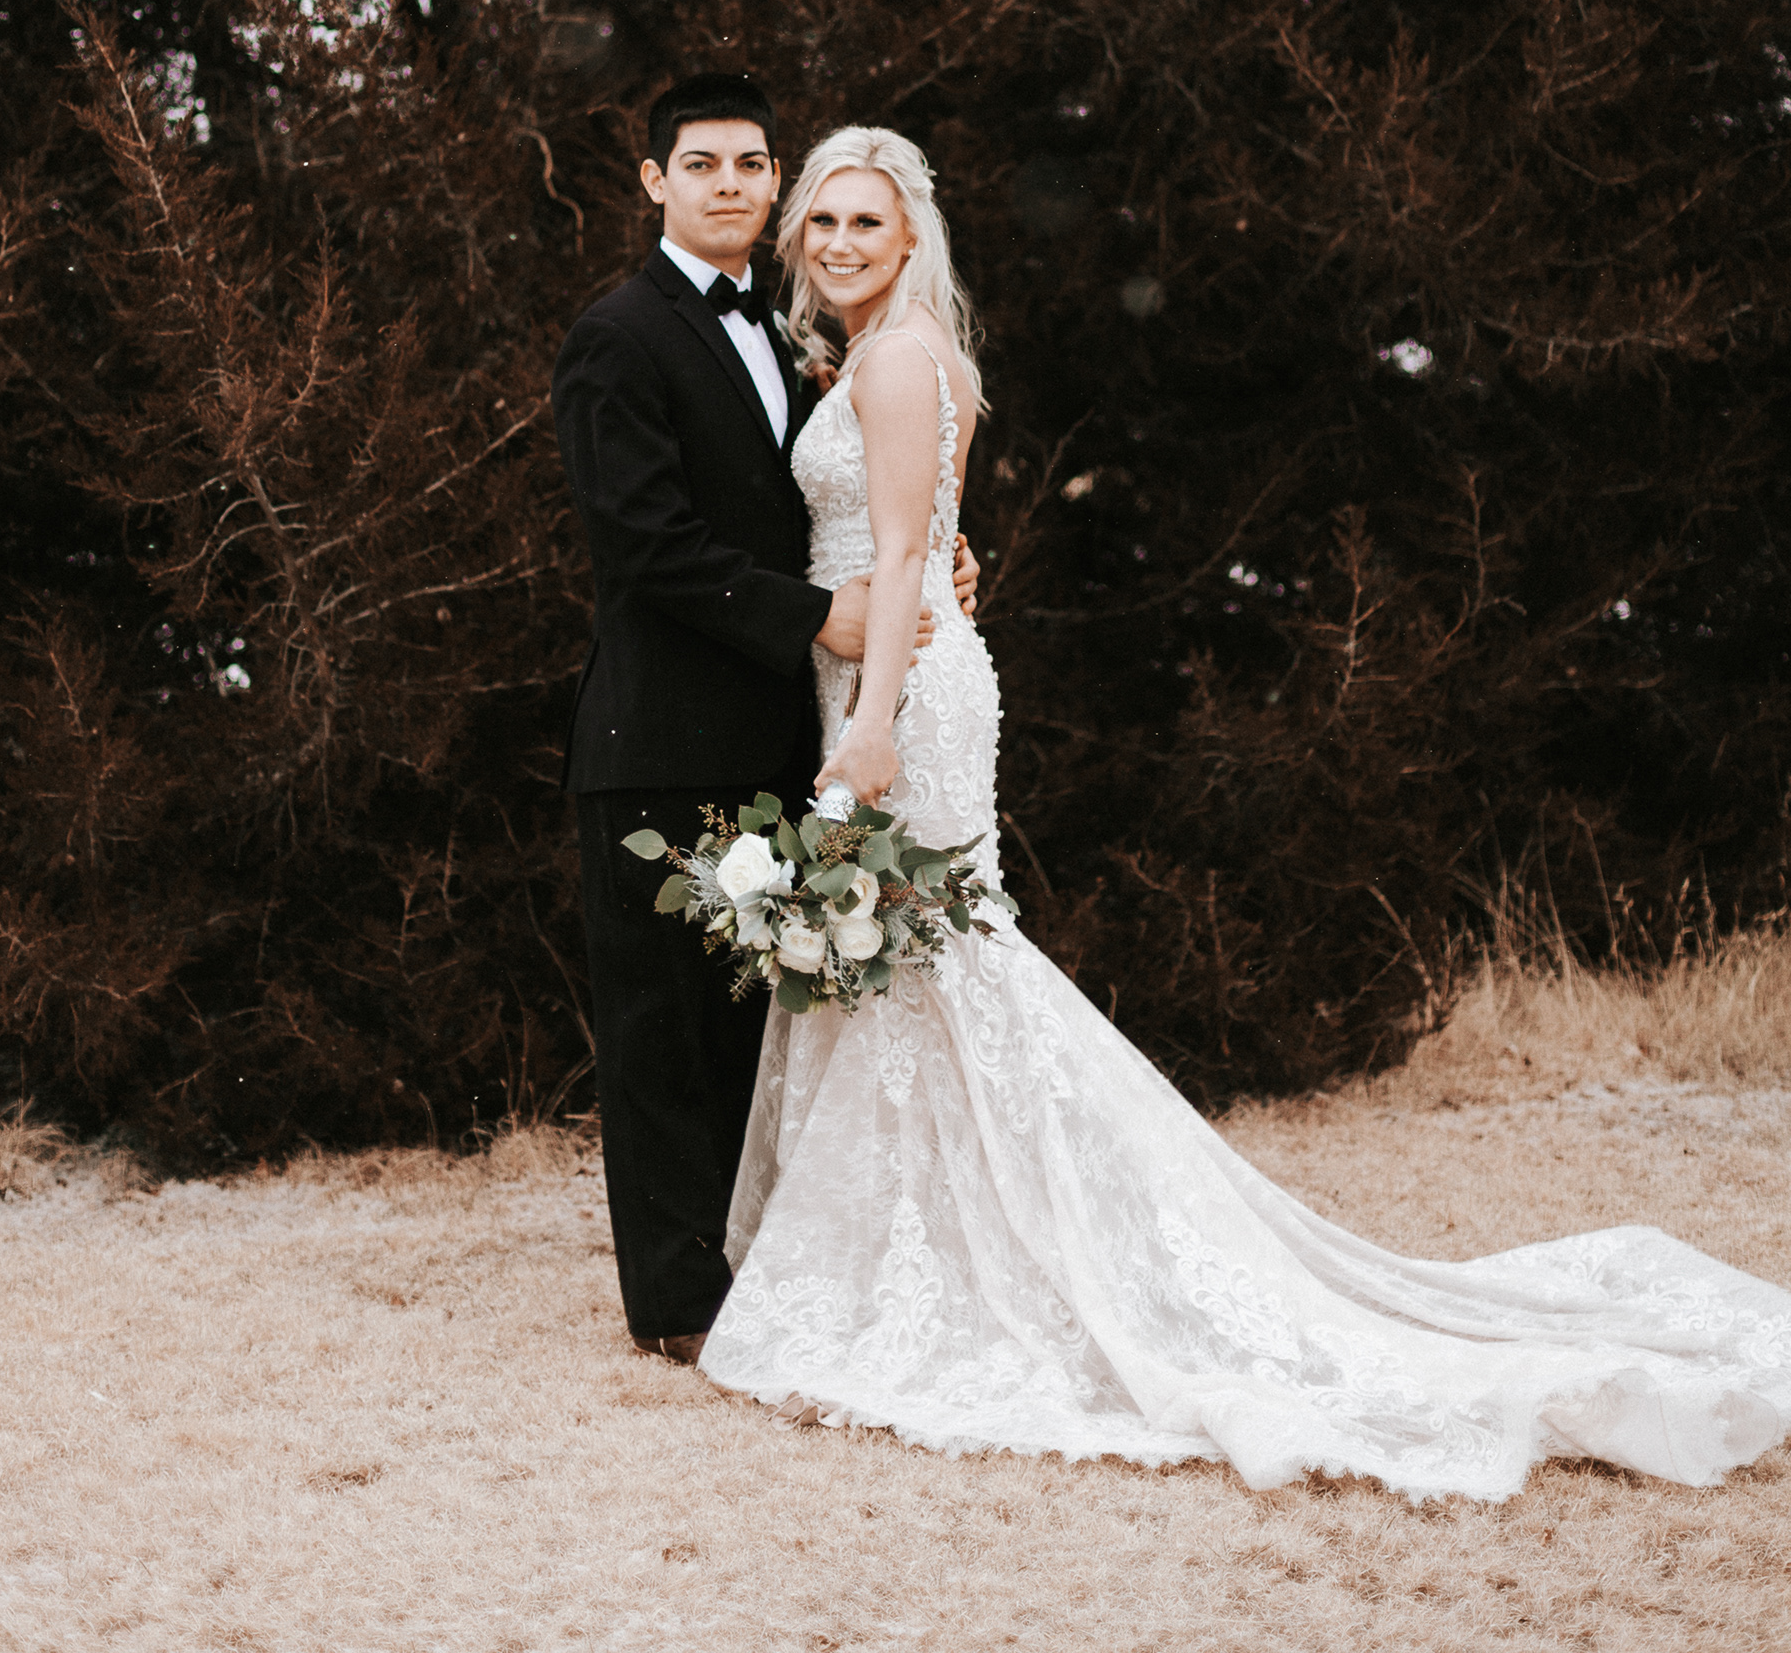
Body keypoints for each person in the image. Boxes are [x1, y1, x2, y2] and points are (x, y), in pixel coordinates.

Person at [698, 124, 1791, 1499]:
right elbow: (935, 532)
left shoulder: (903, 358)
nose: (842, 242)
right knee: (917, 958)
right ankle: (930, 1252)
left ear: (912, 238)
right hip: (891, 668)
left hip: (899, 694)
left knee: (932, 952)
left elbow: (911, 543)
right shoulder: (875, 357)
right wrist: (910, 609)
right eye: (824, 222)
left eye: (868, 221)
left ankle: (980, 1268)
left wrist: (868, 722)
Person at [551, 74, 976, 1364]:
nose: (728, 184)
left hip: (783, 735)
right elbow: (643, 542)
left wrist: (938, 563)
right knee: (662, 1037)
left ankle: (763, 1274)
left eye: (750, 164)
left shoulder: (805, 337)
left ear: (773, 180)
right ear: (655, 181)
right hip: (659, 737)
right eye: (701, 163)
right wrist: (817, 619)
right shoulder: (618, 335)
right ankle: (680, 1310)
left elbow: (857, 504)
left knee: (760, 1028)